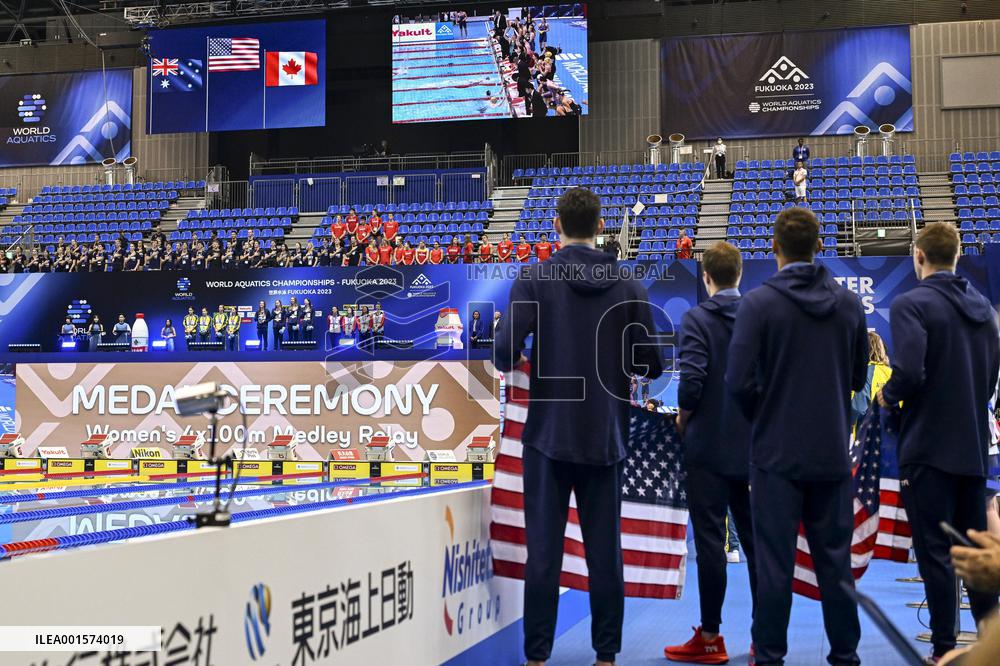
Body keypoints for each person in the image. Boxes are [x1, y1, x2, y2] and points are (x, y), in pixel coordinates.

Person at [493, 187, 665, 666]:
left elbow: (503, 352)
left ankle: (537, 658)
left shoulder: (535, 277)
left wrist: (531, 353)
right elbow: (651, 364)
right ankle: (606, 656)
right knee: (605, 554)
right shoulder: (629, 285)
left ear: (555, 225)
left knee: (543, 555)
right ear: (602, 227)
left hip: (546, 437)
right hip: (604, 436)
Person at [726, 206, 868, 666]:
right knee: (835, 563)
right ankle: (845, 656)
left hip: (775, 455)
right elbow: (856, 376)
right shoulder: (848, 305)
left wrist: (765, 417)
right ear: (820, 245)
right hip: (829, 452)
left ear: (774, 248)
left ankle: (769, 656)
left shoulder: (758, 304)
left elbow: (737, 382)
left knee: (773, 566)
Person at [876, 222, 1000, 663]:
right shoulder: (985, 309)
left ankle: (944, 650)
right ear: (958, 254)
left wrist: (886, 400)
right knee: (975, 554)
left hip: (927, 448)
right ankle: (990, 646)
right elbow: (989, 384)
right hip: (971, 446)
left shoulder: (912, 303)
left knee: (935, 555)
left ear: (919, 256)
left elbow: (907, 372)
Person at [665, 241, 755, 664]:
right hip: (754, 449)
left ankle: (712, 637)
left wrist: (683, 418)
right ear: (739, 274)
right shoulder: (760, 316)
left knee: (710, 545)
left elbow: (692, 381)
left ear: (706, 277)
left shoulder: (697, 318)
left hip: (706, 449)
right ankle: (765, 636)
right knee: (758, 546)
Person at [849, 331, 892, 432]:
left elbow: (858, 408)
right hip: (893, 435)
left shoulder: (864, 373)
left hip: (869, 438)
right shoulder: (893, 374)